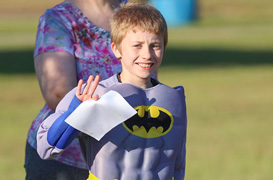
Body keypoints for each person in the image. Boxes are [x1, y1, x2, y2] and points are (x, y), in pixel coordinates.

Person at [37, 2, 187, 180]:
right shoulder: (95, 94)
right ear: (116, 49)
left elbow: (178, 162)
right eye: (137, 45)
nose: (147, 54)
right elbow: (47, 148)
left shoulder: (173, 98)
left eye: (155, 45)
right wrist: (75, 113)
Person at [25, 0, 129, 179]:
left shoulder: (135, 13)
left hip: (124, 157)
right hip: (65, 158)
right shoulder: (59, 19)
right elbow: (58, 94)